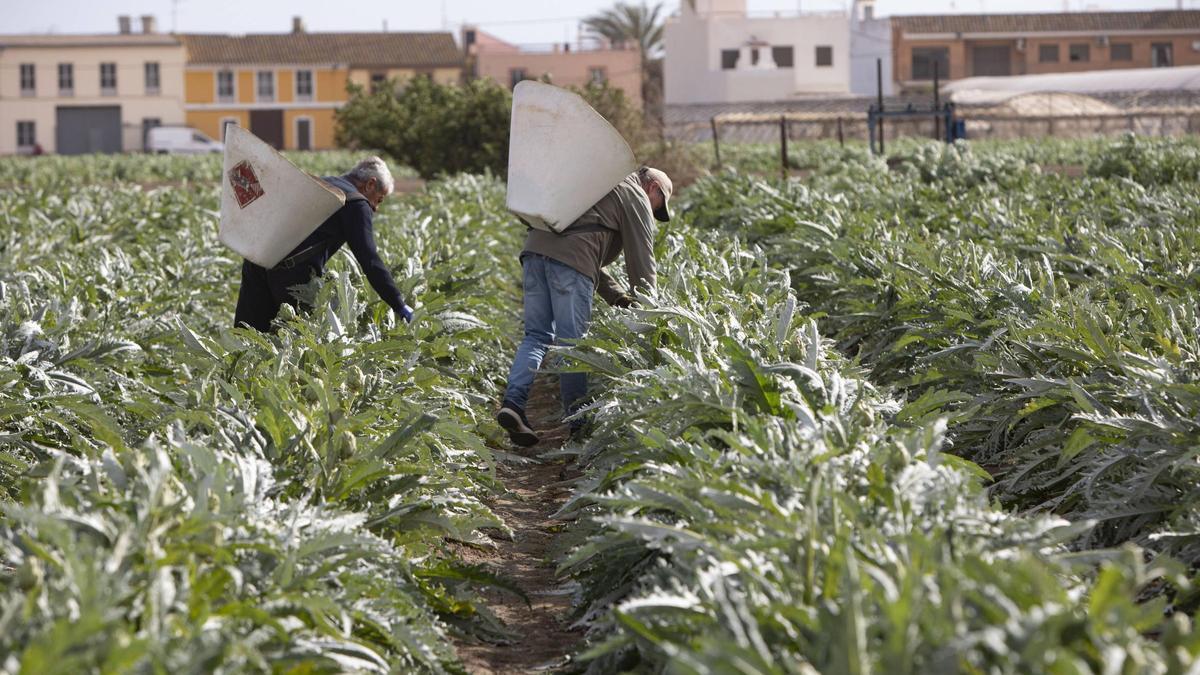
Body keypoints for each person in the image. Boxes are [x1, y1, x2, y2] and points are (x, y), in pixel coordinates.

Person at [496, 166, 673, 446]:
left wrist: (616, 297)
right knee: (572, 347)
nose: (652, 212)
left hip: (534, 253)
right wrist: (649, 310)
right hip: (570, 265)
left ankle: (513, 404)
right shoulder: (634, 194)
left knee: (537, 336)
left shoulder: (594, 180)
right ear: (652, 188)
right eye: (657, 206)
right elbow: (641, 259)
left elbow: (581, 244)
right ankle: (579, 426)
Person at [233, 157, 414, 332]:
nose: (375, 207)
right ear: (370, 184)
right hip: (292, 278)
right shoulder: (356, 204)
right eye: (379, 199)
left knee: (248, 339)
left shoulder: (319, 183)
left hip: (256, 262)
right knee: (299, 347)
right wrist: (398, 304)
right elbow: (369, 259)